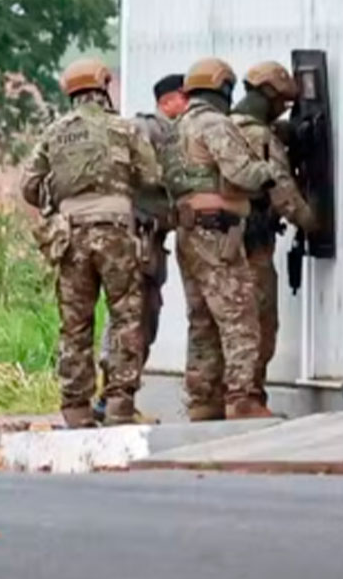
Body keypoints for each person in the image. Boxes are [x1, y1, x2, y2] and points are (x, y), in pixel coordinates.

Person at [22, 58, 161, 429]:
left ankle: (76, 411)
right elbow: (151, 176)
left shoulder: (54, 133)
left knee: (75, 325)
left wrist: (60, 202)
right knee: (126, 317)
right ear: (102, 87)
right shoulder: (125, 128)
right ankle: (119, 406)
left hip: (70, 237)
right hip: (115, 232)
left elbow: (29, 187)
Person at [159, 58, 277, 421]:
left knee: (202, 320)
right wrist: (269, 172)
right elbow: (240, 171)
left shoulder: (176, 128)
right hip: (217, 231)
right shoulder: (213, 123)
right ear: (222, 88)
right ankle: (242, 398)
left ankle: (203, 400)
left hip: (187, 231)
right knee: (240, 314)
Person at [93, 74, 187, 422]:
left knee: (145, 316)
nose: (189, 104)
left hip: (151, 240)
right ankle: (114, 401)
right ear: (167, 101)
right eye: (184, 97)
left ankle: (115, 399)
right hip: (137, 239)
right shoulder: (146, 129)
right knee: (131, 317)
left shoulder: (170, 134)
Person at [232, 62, 317, 405]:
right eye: (281, 102)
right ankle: (248, 398)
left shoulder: (224, 126)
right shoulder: (260, 136)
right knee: (259, 323)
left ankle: (211, 401)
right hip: (254, 247)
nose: (284, 108)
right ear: (267, 95)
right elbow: (283, 195)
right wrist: (315, 222)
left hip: (220, 244)